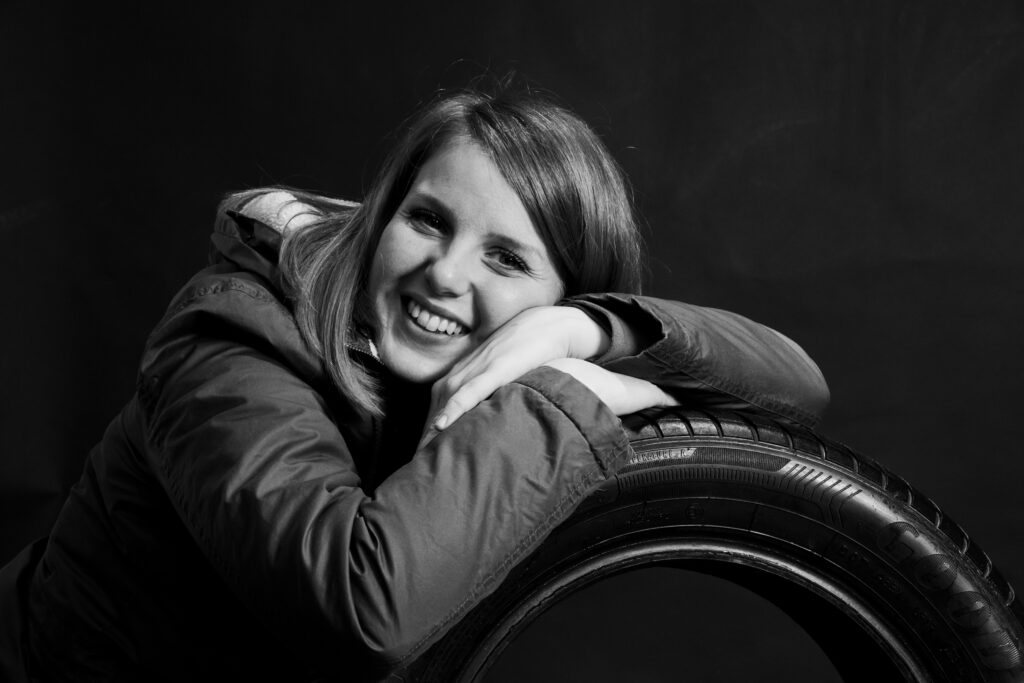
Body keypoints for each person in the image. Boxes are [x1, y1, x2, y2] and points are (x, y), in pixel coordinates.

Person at [1, 85, 829, 681]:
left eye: (506, 258)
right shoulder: (234, 339)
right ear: (382, 215)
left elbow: (798, 387)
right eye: (428, 220)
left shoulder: (544, 333)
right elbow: (363, 609)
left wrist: (587, 331)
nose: (445, 273)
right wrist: (559, 396)